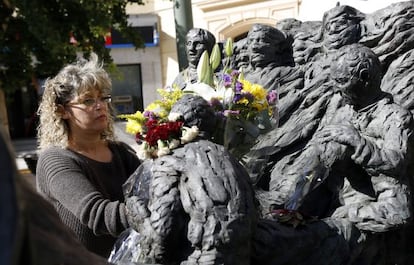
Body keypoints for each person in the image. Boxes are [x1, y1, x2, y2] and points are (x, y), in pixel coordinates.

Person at [35, 53, 141, 258]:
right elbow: (97, 214)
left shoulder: (121, 152)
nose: (100, 105)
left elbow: (150, 188)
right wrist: (156, 212)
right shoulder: (55, 160)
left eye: (103, 98)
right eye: (88, 100)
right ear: (62, 111)